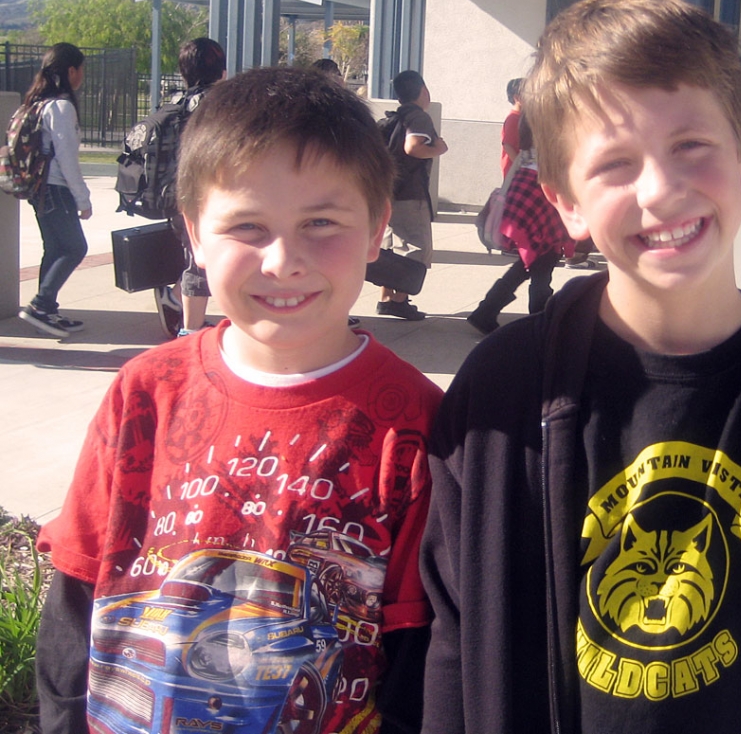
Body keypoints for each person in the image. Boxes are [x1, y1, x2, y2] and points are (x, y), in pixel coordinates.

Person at [420, 0, 741, 734]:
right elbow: (454, 651)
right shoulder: (498, 400)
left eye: (691, 146)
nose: (661, 190)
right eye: (615, 165)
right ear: (566, 203)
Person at [35, 67, 443, 734]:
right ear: (194, 232)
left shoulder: (415, 424)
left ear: (377, 228)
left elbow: (415, 657)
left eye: (321, 222)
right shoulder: (145, 393)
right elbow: (74, 597)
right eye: (247, 226)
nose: (283, 260)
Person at [467, 115, 574, 333]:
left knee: (531, 263)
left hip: (524, 200)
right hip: (541, 201)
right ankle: (539, 319)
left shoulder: (528, 147)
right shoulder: (552, 149)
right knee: (542, 262)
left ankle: (487, 311)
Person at [152, 37, 227, 339]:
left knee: (197, 258)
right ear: (221, 70)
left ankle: (184, 315)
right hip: (210, 194)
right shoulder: (223, 103)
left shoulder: (175, 103)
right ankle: (190, 330)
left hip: (177, 193)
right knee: (202, 262)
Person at [17, 43, 91, 339]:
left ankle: (46, 311)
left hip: (39, 187)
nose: (82, 75)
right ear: (71, 70)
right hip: (56, 188)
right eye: (81, 69)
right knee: (75, 247)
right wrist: (82, 198)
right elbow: (67, 158)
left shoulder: (37, 103)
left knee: (56, 247)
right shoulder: (61, 107)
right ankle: (40, 304)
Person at [378, 69, 448, 320]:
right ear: (423, 91)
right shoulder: (418, 117)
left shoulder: (393, 118)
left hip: (387, 192)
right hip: (410, 193)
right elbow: (414, 147)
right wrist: (439, 147)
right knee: (415, 247)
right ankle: (399, 300)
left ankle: (386, 298)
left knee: (389, 247)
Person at [501, 77, 523, 178]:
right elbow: (507, 146)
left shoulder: (522, 117)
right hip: (514, 173)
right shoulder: (513, 119)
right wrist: (520, 167)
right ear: (517, 98)